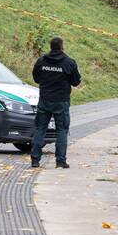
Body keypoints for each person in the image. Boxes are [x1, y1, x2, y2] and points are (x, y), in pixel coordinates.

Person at [30, 36, 81, 168]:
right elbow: (76, 81)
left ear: (51, 47)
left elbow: (36, 78)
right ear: (62, 47)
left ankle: (35, 160)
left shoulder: (41, 61)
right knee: (62, 130)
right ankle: (60, 161)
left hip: (44, 100)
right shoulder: (69, 63)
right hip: (61, 101)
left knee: (40, 128)